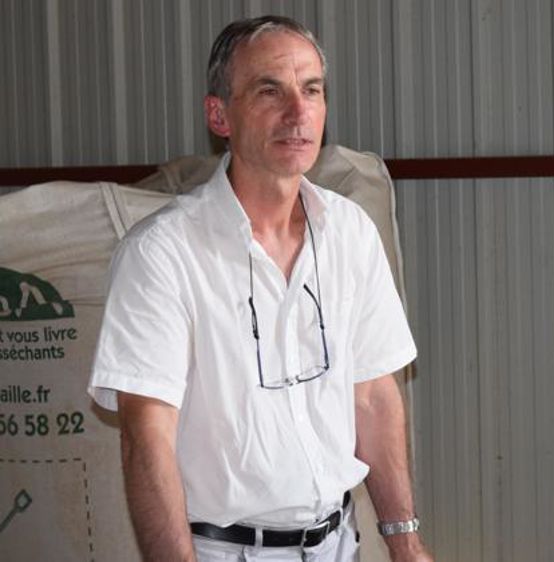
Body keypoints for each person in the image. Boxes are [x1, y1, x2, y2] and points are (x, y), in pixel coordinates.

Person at [88, 16, 432, 562]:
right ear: (219, 114)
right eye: (270, 91)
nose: (298, 113)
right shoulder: (163, 254)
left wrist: (406, 544)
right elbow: (145, 437)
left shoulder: (349, 233)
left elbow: (372, 396)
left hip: (339, 545)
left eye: (312, 90)